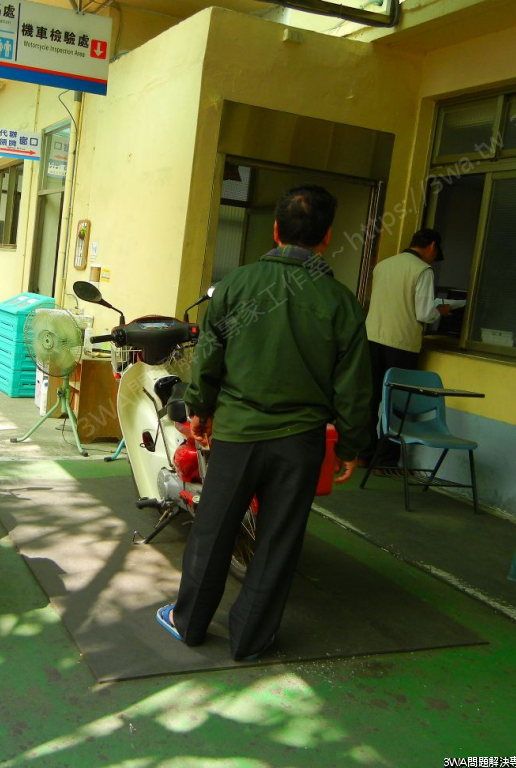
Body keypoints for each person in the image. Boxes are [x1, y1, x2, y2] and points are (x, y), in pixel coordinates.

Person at [155, 184, 373, 662]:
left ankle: (189, 622)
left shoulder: (235, 286)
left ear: (275, 230)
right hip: (301, 443)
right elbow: (354, 386)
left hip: (237, 434)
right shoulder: (341, 303)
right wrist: (351, 446)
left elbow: (208, 360)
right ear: (327, 237)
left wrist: (201, 412)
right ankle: (251, 639)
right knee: (278, 538)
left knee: (213, 529)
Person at [361, 228, 451, 467]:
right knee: (397, 404)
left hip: (372, 338)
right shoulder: (422, 270)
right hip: (401, 344)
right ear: (432, 246)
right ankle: (385, 460)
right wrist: (440, 311)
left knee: (371, 399)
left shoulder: (383, 265)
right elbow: (424, 313)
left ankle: (364, 453)